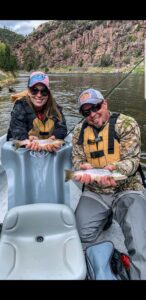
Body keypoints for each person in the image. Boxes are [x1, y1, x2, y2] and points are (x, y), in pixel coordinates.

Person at [72, 88, 146, 280]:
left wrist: (114, 168)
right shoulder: (79, 131)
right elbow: (77, 160)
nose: (92, 114)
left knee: (140, 240)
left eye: (95, 107)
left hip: (126, 187)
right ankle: (106, 216)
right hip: (96, 190)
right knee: (80, 233)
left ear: (104, 103)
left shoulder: (127, 124)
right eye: (86, 112)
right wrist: (82, 167)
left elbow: (132, 161)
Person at [7, 71, 67, 152]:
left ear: (48, 93)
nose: (39, 95)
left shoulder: (56, 108)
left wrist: (55, 137)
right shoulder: (20, 107)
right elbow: (17, 129)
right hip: (26, 152)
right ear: (28, 91)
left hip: (48, 150)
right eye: (34, 90)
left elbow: (62, 127)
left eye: (44, 91)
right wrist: (25, 139)